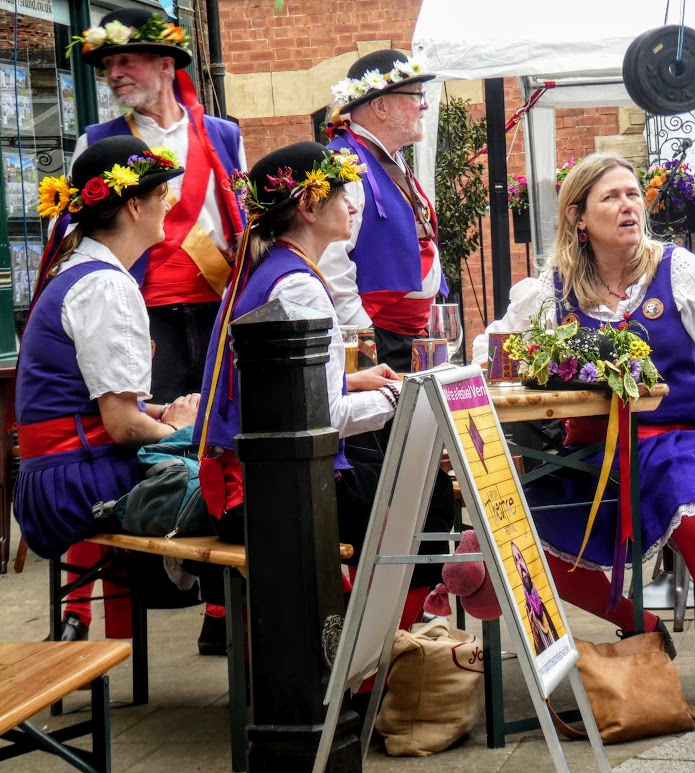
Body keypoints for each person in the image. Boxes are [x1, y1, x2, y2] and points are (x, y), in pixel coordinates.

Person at [473, 152, 695, 711]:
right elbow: (494, 356)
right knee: (520, 540)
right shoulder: (552, 292)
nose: (628, 205)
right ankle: (643, 623)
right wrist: (530, 374)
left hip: (675, 440)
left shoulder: (679, 273)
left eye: (633, 194)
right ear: (579, 218)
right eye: (612, 197)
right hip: (586, 453)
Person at [197, 141, 454, 632]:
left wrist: (353, 379)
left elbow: (280, 386)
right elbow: (322, 418)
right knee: (428, 496)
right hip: (273, 488)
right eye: (341, 196)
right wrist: (405, 396)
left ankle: (378, 640)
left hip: (255, 472)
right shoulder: (300, 285)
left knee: (399, 477)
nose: (354, 205)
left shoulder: (268, 270)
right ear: (310, 207)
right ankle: (380, 656)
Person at [17, 135, 197, 642]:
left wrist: (168, 413)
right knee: (231, 487)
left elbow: (106, 407)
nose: (169, 202)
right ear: (134, 204)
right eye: (161, 193)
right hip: (71, 484)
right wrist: (178, 428)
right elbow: (121, 426)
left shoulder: (82, 272)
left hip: (58, 475)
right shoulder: (106, 285)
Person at [72, 7, 246, 403]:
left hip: (217, 307)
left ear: (166, 65)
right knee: (158, 426)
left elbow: (243, 213)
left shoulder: (224, 135)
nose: (114, 73)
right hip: (139, 309)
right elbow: (72, 231)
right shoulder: (97, 143)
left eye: (126, 61)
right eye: (109, 64)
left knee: (220, 424)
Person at [320, 49, 446, 370]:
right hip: (381, 338)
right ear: (380, 105)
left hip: (412, 335)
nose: (425, 105)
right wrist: (364, 339)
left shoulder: (390, 157)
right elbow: (331, 263)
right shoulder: (343, 164)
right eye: (416, 95)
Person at [511, 542, 559, 655]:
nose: (520, 563)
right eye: (516, 561)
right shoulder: (524, 603)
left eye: (520, 558)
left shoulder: (539, 595)